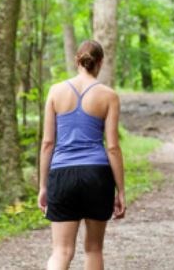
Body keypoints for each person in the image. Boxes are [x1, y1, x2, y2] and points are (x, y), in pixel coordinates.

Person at [38, 40, 126, 270]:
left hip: (62, 174)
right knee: (94, 249)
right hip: (96, 175)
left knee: (61, 251)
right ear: (100, 63)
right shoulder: (108, 95)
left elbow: (48, 143)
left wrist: (43, 186)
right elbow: (113, 147)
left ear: (77, 61)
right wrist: (121, 190)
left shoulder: (55, 92)